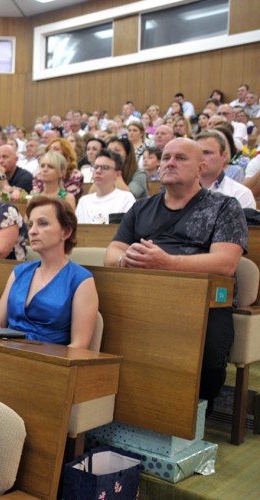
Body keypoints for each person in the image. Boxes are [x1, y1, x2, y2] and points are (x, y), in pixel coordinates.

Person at [104, 138, 248, 408]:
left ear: (200, 168)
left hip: (202, 303)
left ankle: (195, 412)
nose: (170, 162)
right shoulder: (141, 207)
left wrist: (166, 263)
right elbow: (112, 254)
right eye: (166, 157)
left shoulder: (225, 207)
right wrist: (127, 259)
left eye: (181, 158)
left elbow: (225, 263)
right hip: (143, 298)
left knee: (208, 360)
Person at [0, 197, 99, 347]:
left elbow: (78, 346)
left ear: (65, 232)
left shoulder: (81, 280)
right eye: (30, 225)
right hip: (8, 355)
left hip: (51, 363)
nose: (32, 231)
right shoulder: (19, 271)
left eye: (43, 223)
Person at [75, 150, 137, 224]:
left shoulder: (126, 198)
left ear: (117, 175)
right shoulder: (84, 201)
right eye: (96, 167)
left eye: (105, 167)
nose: (98, 171)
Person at [107, 136, 148, 200]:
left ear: (127, 154)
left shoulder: (140, 174)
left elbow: (128, 196)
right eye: (109, 151)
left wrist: (115, 169)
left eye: (117, 150)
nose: (111, 155)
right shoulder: (105, 172)